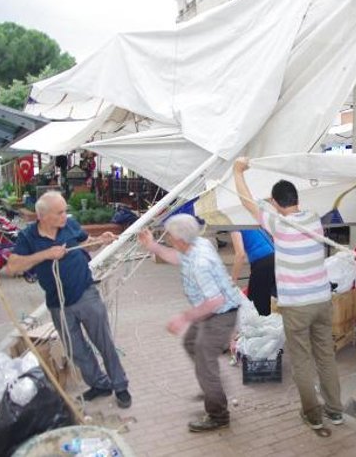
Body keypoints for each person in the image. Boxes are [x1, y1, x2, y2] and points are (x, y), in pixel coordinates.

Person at [233, 157, 344, 433]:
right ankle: (335, 411)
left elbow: (246, 201)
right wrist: (274, 203)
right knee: (325, 357)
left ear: (276, 203)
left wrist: (238, 171)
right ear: (296, 199)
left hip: (297, 306)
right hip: (322, 301)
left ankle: (313, 415)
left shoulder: (280, 225)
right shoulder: (314, 220)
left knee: (302, 361)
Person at [6, 191, 132, 409]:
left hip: (85, 294)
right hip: (57, 303)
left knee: (104, 342)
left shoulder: (70, 226)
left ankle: (120, 386)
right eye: (60, 212)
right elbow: (13, 266)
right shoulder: (28, 237)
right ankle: (100, 384)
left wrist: (100, 241)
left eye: (65, 211)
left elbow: (87, 244)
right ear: (42, 216)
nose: (66, 216)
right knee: (76, 350)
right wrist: (45, 254)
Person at [137, 214, 243, 432]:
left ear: (180, 240)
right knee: (191, 344)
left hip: (220, 314)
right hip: (211, 312)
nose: (167, 239)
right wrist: (153, 246)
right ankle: (211, 384)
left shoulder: (200, 262)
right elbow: (178, 258)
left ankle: (218, 414)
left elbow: (215, 301)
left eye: (169, 237)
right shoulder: (196, 244)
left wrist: (183, 317)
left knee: (204, 360)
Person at [230, 229, 277, 316]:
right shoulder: (250, 218)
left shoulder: (234, 226)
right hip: (275, 256)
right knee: (270, 298)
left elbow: (240, 254)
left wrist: (233, 281)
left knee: (258, 305)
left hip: (262, 261)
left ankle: (263, 326)